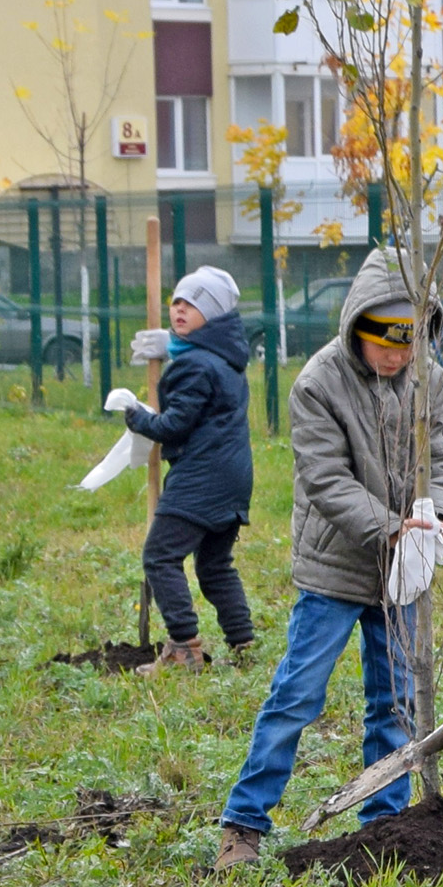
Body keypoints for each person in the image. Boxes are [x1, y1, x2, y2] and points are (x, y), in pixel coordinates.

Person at [215, 250, 443, 870]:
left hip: (402, 572)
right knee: (298, 694)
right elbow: (327, 481)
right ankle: (243, 826)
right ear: (359, 325)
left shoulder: (427, 378)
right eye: (387, 340)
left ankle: (383, 826)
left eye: (412, 340)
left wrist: (442, 515)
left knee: (397, 702)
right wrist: (388, 527)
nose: (399, 355)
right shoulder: (318, 384)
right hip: (337, 570)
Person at [114, 265, 257, 669]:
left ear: (211, 317)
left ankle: (184, 647)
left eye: (193, 304)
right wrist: (174, 346)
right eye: (176, 301)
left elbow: (175, 423)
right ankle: (244, 644)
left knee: (160, 555)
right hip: (233, 477)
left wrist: (138, 418)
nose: (179, 310)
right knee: (213, 565)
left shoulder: (196, 365)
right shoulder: (226, 360)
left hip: (202, 478)